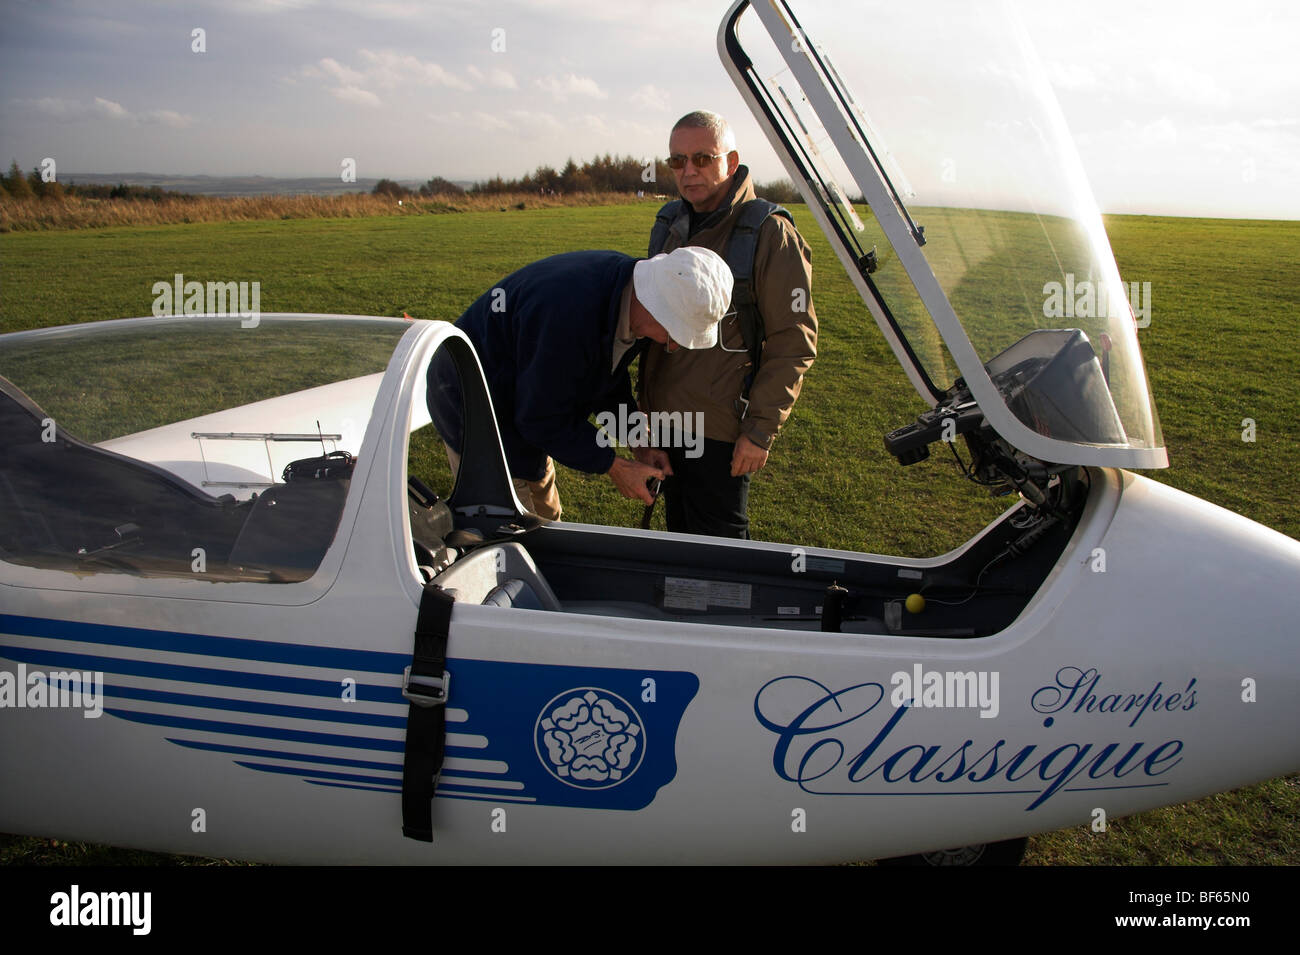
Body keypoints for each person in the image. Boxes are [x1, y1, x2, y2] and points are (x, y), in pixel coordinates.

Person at [428, 247, 733, 520]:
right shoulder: (569, 315)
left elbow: (606, 380)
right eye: (674, 332)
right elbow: (540, 419)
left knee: (545, 515)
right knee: (510, 528)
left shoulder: (629, 301)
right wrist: (615, 466)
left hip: (527, 394)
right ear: (655, 305)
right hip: (471, 398)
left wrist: (637, 439)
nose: (674, 345)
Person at [638, 110, 817, 539]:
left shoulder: (770, 232)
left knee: (722, 553)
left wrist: (758, 432)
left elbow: (794, 342)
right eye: (677, 161)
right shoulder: (669, 224)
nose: (688, 171)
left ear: (731, 162)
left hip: (720, 428)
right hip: (663, 421)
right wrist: (642, 422)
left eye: (702, 157)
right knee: (678, 539)